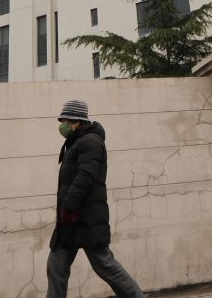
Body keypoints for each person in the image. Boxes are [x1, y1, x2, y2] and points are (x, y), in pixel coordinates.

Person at [47, 100, 144, 298]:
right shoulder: (76, 142)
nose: (62, 125)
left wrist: (69, 207)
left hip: (85, 218)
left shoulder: (90, 141)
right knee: (56, 268)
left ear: (76, 121)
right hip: (69, 220)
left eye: (64, 120)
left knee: (105, 266)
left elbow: (86, 176)